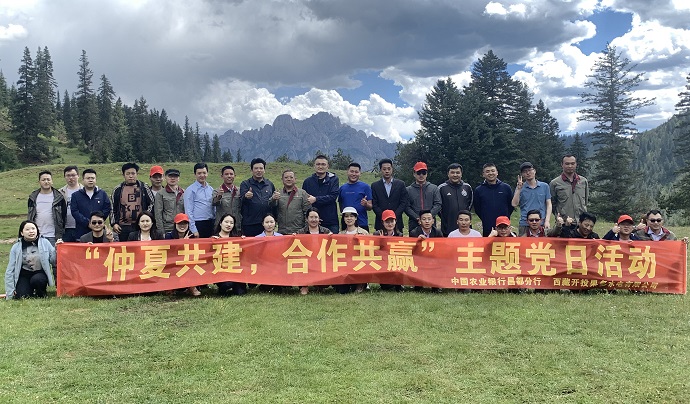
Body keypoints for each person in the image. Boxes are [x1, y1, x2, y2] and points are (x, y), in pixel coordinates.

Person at [5, 220, 56, 300]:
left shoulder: (45, 242)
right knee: (22, 296)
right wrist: (10, 292)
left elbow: (53, 261)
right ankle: (29, 290)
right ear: (22, 233)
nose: (31, 231)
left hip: (39, 273)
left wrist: (57, 249)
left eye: (33, 228)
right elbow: (10, 270)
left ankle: (41, 292)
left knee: (37, 280)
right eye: (27, 229)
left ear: (37, 230)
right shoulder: (16, 247)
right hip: (24, 275)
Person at [111, 162, 154, 243]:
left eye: (133, 173)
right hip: (122, 226)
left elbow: (152, 203)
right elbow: (112, 207)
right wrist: (114, 223)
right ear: (123, 175)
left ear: (137, 174)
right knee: (124, 248)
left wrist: (145, 217)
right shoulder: (118, 189)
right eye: (128, 174)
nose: (131, 176)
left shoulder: (144, 187)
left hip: (140, 225)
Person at [297, 207, 332, 295]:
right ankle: (304, 286)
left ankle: (320, 285)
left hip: (321, 259)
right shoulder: (300, 232)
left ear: (319, 219)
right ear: (307, 219)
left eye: (316, 217)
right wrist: (293, 238)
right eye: (311, 217)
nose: (314, 220)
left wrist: (332, 237)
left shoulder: (326, 231)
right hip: (306, 259)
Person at [512, 162, 553, 236]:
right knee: (524, 243)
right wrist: (519, 189)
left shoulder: (544, 186)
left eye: (529, 170)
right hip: (525, 223)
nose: (528, 173)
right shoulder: (520, 187)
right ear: (522, 174)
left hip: (541, 222)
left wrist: (547, 220)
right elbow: (514, 204)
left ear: (534, 171)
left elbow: (549, 204)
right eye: (525, 171)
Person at [302, 155, 340, 234]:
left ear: (327, 166)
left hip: (330, 221)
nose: (320, 166)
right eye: (318, 164)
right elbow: (305, 201)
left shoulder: (334, 180)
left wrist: (316, 199)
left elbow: (333, 196)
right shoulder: (307, 182)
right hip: (313, 221)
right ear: (314, 166)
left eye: (323, 164)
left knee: (332, 241)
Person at [28, 170, 67, 245]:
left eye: (48, 179)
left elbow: (64, 216)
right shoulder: (32, 198)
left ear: (52, 181)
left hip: (54, 236)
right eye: (43, 180)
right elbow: (30, 216)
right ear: (39, 182)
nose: (46, 182)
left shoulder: (59, 197)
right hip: (37, 235)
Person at [474, 163, 514, 237]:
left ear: (497, 172)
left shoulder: (506, 188)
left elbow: (511, 206)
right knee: (488, 243)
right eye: (487, 171)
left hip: (504, 226)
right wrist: (486, 218)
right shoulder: (479, 190)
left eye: (493, 171)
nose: (490, 173)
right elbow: (477, 208)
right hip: (488, 225)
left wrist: (505, 216)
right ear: (483, 174)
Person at [71, 168, 112, 240]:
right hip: (82, 231)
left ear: (96, 180)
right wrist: (88, 223)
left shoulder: (102, 194)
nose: (90, 180)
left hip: (99, 231)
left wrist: (97, 222)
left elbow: (107, 208)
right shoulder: (76, 195)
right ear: (83, 180)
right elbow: (75, 212)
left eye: (92, 178)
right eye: (88, 178)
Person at [240, 158, 277, 237]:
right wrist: (246, 196)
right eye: (256, 168)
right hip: (250, 223)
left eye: (261, 168)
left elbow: (273, 204)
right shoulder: (245, 184)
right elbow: (240, 201)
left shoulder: (269, 184)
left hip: (266, 224)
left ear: (264, 170)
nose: (259, 170)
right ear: (251, 170)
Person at [371, 158, 409, 233]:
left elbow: (404, 202)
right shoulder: (375, 186)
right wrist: (384, 217)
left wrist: (394, 216)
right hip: (380, 222)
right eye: (384, 169)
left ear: (392, 169)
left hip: (397, 222)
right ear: (380, 170)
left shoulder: (400, 184)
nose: (387, 171)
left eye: (389, 169)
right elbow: (374, 204)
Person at [337, 206, 369, 294]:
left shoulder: (364, 233)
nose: (349, 218)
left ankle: (361, 283)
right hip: (345, 263)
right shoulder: (340, 234)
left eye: (351, 216)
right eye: (346, 216)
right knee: (342, 290)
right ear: (343, 219)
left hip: (359, 262)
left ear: (356, 218)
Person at [212, 213, 245, 296]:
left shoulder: (237, 237)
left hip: (235, 269)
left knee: (240, 292)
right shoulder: (214, 238)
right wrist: (212, 243)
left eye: (231, 223)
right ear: (220, 223)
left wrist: (244, 242)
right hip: (221, 271)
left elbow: (244, 255)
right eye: (226, 222)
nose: (229, 225)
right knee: (227, 284)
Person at [270, 169, 311, 235]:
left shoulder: (302, 193)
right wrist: (273, 199)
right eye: (286, 177)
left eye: (291, 177)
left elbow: (308, 212)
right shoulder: (278, 193)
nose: (289, 179)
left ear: (295, 179)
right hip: (282, 231)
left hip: (298, 231)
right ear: (282, 179)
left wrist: (306, 229)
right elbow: (271, 206)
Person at [405, 162, 441, 234]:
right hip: (414, 224)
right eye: (418, 173)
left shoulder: (434, 188)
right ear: (414, 174)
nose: (421, 175)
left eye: (423, 173)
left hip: (431, 225)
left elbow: (438, 204)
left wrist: (428, 218)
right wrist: (417, 218)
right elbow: (406, 207)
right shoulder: (408, 190)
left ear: (427, 174)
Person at [550, 155, 588, 223]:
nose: (570, 166)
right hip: (564, 222)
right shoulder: (555, 183)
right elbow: (553, 203)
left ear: (576, 164)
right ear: (562, 165)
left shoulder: (583, 181)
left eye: (572, 163)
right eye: (567, 164)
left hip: (582, 222)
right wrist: (559, 215)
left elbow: (585, 200)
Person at [438, 163, 473, 237]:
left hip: (465, 228)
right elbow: (438, 207)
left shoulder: (467, 187)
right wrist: (446, 217)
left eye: (457, 172)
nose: (455, 175)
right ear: (448, 174)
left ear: (461, 174)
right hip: (448, 227)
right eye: (452, 172)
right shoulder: (441, 188)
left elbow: (470, 204)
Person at [373, 210, 404, 291]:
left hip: (395, 261)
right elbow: (374, 251)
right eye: (387, 222)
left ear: (395, 221)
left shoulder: (399, 234)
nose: (390, 224)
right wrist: (381, 241)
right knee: (385, 287)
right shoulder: (377, 234)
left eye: (392, 221)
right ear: (383, 223)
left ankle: (398, 282)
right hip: (382, 261)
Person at [338, 162, 373, 232]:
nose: (354, 174)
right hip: (346, 224)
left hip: (361, 223)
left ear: (360, 173)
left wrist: (366, 204)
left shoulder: (365, 187)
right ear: (347, 172)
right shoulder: (342, 188)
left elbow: (370, 207)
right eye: (352, 171)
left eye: (356, 172)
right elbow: (341, 205)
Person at [154, 168, 185, 234]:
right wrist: (161, 231)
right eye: (170, 176)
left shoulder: (184, 193)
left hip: (182, 227)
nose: (173, 178)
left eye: (175, 176)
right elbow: (158, 214)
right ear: (165, 178)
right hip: (168, 228)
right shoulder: (160, 194)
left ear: (178, 178)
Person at [212, 165, 242, 232]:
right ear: (222, 176)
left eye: (231, 174)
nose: (229, 176)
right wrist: (219, 196)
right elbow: (214, 203)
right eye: (226, 174)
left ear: (234, 176)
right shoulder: (217, 191)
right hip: (222, 227)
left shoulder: (239, 191)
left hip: (237, 226)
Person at [59, 165, 83, 242]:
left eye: (73, 175)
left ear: (78, 176)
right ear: (64, 177)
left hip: (82, 227)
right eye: (68, 175)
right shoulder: (60, 193)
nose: (71, 178)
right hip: (66, 228)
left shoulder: (85, 191)